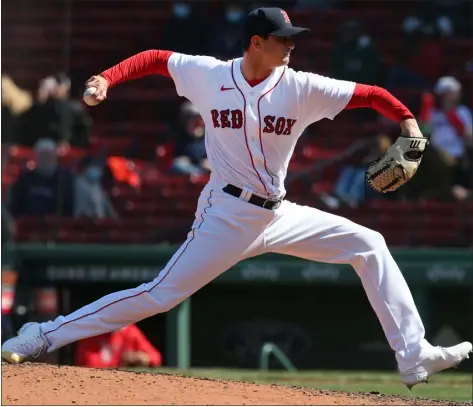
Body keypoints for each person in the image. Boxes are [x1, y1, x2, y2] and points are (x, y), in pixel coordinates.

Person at [2, 7, 471, 389]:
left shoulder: (302, 87)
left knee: (370, 244)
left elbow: (371, 94)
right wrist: (107, 78)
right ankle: (43, 334)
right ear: (256, 43)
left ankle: (414, 356)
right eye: (282, 38)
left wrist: (409, 123)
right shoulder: (209, 75)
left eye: (293, 38)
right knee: (160, 296)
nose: (291, 45)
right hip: (225, 213)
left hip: (279, 212)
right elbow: (154, 58)